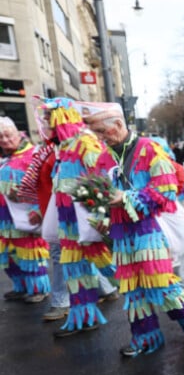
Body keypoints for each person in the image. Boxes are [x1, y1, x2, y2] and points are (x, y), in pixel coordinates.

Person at [83, 104, 184, 357]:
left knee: (159, 282)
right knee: (131, 288)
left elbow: (166, 190)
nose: (98, 138)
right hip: (121, 232)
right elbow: (97, 193)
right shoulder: (102, 159)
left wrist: (126, 197)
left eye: (100, 131)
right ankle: (145, 338)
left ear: (117, 125)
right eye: (95, 133)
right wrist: (99, 214)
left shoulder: (149, 149)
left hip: (149, 230)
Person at [37, 98, 118, 338]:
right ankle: (84, 318)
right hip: (69, 226)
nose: (48, 126)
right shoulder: (64, 149)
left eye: (51, 120)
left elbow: (104, 179)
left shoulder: (85, 143)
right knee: (75, 272)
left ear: (62, 119)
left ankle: (161, 298)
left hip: (89, 224)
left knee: (116, 270)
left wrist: (101, 215)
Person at [0, 119, 50, 304]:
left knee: (29, 253)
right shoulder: (5, 158)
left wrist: (37, 209)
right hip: (4, 218)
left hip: (25, 216)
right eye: (1, 137)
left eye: (8, 135)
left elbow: (44, 186)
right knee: (9, 255)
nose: (5, 140)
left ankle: (38, 289)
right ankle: (20, 287)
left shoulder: (33, 155)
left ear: (18, 133)